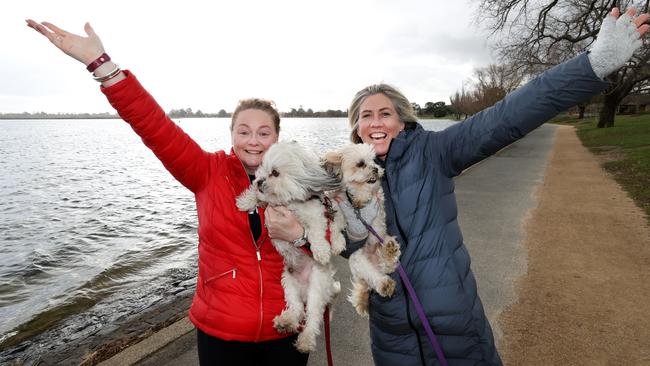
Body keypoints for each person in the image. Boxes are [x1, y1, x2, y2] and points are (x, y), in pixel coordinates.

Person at [293, 7, 647, 366]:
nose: (375, 122)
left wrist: (593, 64)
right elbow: (349, 244)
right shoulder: (345, 180)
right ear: (356, 129)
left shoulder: (435, 151)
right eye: (365, 116)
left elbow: (508, 115)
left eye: (384, 113)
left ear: (402, 120)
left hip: (454, 327)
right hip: (391, 336)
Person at [26, 20, 310, 366]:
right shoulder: (205, 172)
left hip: (287, 327)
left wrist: (299, 236)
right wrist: (101, 65)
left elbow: (326, 238)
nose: (253, 141)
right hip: (221, 331)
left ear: (276, 137)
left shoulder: (298, 180)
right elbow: (155, 126)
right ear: (231, 134)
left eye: (264, 133)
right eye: (244, 131)